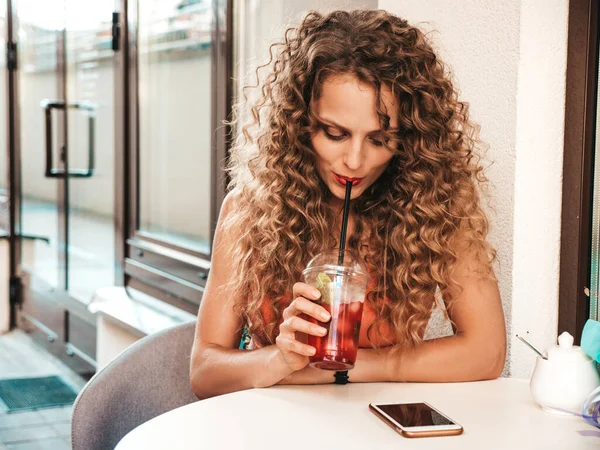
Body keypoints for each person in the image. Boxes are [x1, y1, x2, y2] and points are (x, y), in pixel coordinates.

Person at [190, 9, 506, 400]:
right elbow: (204, 371)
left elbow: (487, 353)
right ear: (299, 123)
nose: (355, 162)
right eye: (335, 133)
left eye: (379, 139)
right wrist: (280, 360)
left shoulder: (435, 208)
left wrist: (345, 368)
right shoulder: (248, 212)